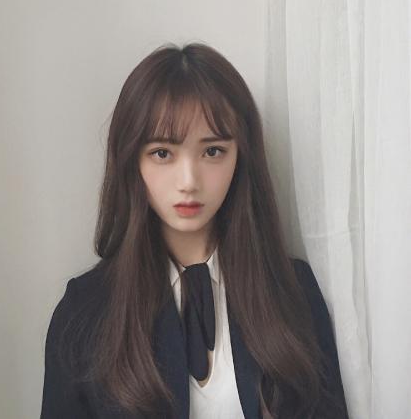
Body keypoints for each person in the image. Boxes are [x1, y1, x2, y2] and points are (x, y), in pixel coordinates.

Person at [40, 42, 349, 418]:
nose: (189, 181)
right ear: (132, 160)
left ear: (241, 156)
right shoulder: (85, 311)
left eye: (212, 151)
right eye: (162, 153)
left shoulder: (293, 292)